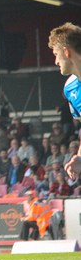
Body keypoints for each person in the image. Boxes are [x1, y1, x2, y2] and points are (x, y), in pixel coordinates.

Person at [49, 23, 81, 179]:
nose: (56, 61)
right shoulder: (70, 88)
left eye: (56, 54)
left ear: (66, 52)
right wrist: (80, 157)